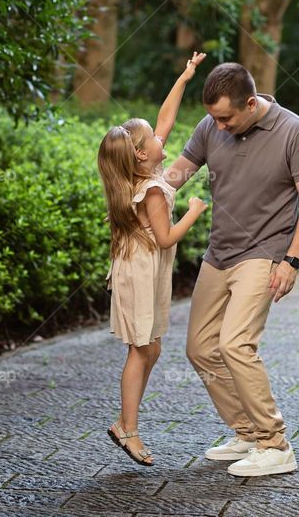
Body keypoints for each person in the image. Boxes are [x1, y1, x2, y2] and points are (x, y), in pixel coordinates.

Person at [163, 62, 299, 477]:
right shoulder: (210, 127)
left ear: (251, 104)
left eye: (225, 117)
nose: (218, 125)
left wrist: (292, 260)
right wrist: (142, 195)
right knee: (200, 348)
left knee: (236, 344)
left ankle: (275, 444)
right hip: (219, 252)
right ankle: (248, 432)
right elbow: (177, 175)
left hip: (264, 253)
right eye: (213, 117)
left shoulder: (293, 132)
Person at [97, 52, 209, 466]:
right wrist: (195, 211)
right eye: (154, 141)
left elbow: (164, 120)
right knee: (141, 351)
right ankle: (128, 429)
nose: (163, 139)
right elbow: (164, 239)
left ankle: (124, 421)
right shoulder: (155, 190)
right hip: (141, 270)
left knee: (152, 348)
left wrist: (184, 77)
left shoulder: (141, 175)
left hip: (143, 269)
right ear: (142, 155)